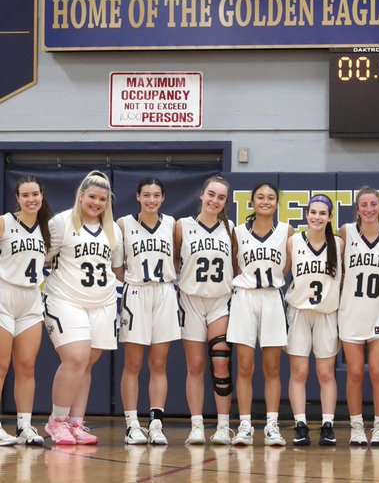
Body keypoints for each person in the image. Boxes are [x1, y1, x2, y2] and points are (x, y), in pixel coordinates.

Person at [43, 171, 125, 446]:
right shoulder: (61, 222)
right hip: (66, 299)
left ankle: (77, 422)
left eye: (102, 199)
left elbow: (116, 268)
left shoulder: (113, 229)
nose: (96, 202)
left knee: (87, 363)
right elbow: (43, 258)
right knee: (75, 358)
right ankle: (56, 421)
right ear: (81, 196)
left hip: (102, 302)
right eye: (92, 197)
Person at [0, 176, 50, 446]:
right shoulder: (1, 223)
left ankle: (24, 426)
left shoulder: (48, 229)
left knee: (27, 367)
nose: (31, 199)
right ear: (17, 198)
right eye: (25, 195)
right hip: (3, 295)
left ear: (41, 196)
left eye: (35, 194)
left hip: (31, 298)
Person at [227, 182, 291, 447]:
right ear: (251, 202)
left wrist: (274, 281)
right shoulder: (238, 232)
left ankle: (272, 425)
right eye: (260, 197)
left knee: (272, 367)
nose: (266, 201)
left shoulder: (287, 231)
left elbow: (287, 267)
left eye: (271, 198)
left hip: (271, 297)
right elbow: (233, 263)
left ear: (277, 203)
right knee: (244, 366)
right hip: (245, 298)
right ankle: (244, 425)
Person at [118, 178, 181, 445]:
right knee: (133, 364)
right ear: (138, 196)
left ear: (163, 198)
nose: (151, 200)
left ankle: (156, 423)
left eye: (156, 195)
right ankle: (132, 424)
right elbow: (117, 266)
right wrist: (132, 283)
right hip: (136, 293)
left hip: (165, 292)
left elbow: (177, 259)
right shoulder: (123, 224)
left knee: (158, 364)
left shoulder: (172, 224)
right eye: (146, 195)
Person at [175, 176, 237, 445]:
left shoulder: (231, 228)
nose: (215, 200)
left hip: (220, 300)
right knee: (196, 365)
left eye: (221, 197)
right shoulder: (182, 227)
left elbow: (238, 263)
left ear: (225, 202)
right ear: (201, 195)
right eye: (211, 194)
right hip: (191, 299)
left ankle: (223, 426)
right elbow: (174, 260)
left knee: (221, 364)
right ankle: (197, 425)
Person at [339, 187, 379, 447]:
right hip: (351, 311)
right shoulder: (345, 232)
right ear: (357, 209)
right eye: (364, 205)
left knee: (377, 371)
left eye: (373, 204)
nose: (369, 209)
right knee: (354, 372)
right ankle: (356, 426)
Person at [285, 194, 343, 446]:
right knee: (299, 371)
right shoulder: (293, 241)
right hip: (298, 311)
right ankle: (300, 424)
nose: (317, 217)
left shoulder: (339, 244)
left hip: (327, 313)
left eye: (322, 213)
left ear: (330, 218)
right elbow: (282, 271)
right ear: (306, 215)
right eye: (313, 212)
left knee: (325, 372)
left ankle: (327, 425)